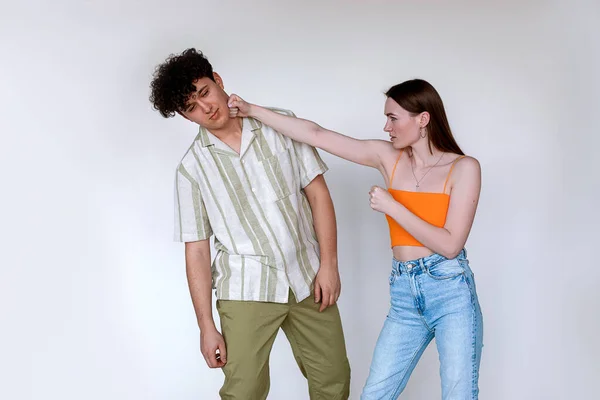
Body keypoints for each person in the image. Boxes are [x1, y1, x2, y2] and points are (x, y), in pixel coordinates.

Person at [228, 79, 484, 399]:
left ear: (423, 119)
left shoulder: (464, 168)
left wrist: (393, 206)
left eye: (393, 117)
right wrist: (252, 110)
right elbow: (316, 135)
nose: (386, 126)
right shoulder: (387, 156)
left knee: (459, 395)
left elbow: (450, 244)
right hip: (405, 294)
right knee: (374, 395)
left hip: (450, 291)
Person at [149, 48, 350, 400]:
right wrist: (205, 326)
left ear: (219, 82)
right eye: (192, 107)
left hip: (308, 276)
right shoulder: (191, 170)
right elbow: (197, 249)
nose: (207, 107)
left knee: (334, 382)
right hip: (245, 289)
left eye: (205, 92)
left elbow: (318, 195)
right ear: (185, 116)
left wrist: (329, 265)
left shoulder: (280, 124)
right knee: (244, 392)